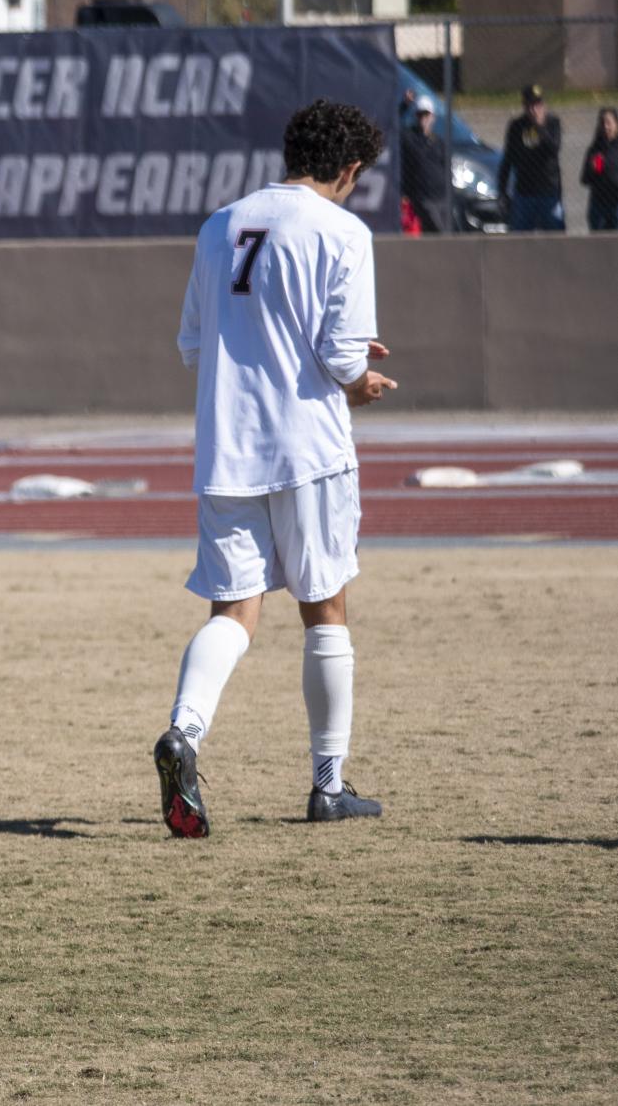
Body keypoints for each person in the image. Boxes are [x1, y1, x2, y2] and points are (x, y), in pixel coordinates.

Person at [154, 99, 397, 841]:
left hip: (227, 445)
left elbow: (193, 343)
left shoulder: (218, 224)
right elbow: (341, 356)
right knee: (324, 608)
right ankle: (328, 783)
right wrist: (359, 384)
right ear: (348, 170)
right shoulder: (343, 232)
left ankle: (183, 734)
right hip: (309, 448)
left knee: (232, 612)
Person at [500, 84, 565, 232]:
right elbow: (508, 159)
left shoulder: (553, 123)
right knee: (521, 236)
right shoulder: (517, 126)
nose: (534, 109)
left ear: (543, 105)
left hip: (549, 191)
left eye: (538, 104)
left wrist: (540, 127)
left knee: (554, 235)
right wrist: (502, 190)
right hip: (524, 193)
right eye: (530, 105)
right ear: (524, 106)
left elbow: (554, 149)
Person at [399, 93, 451, 234]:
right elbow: (392, 125)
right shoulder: (410, 138)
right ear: (416, 116)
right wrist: (404, 106)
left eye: (427, 115)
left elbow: (446, 167)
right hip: (423, 197)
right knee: (437, 230)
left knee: (444, 232)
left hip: (441, 196)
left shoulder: (439, 142)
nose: (424, 119)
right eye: (420, 115)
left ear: (433, 117)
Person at [582, 108, 618, 232]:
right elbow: (584, 179)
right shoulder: (594, 149)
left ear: (616, 124)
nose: (605, 126)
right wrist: (593, 169)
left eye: (609, 123)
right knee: (598, 244)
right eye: (602, 123)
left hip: (616, 204)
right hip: (598, 206)